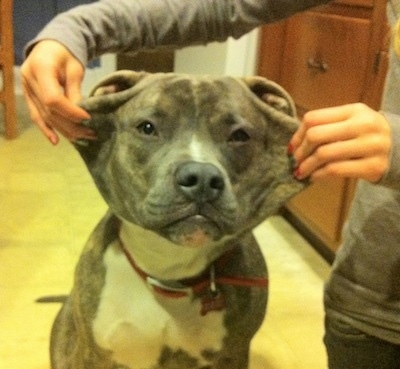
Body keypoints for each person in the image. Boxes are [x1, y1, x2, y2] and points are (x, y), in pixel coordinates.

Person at [21, 0, 400, 368]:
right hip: (372, 298)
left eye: (237, 135)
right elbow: (219, 6)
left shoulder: (244, 275)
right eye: (148, 128)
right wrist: (73, 30)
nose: (200, 174)